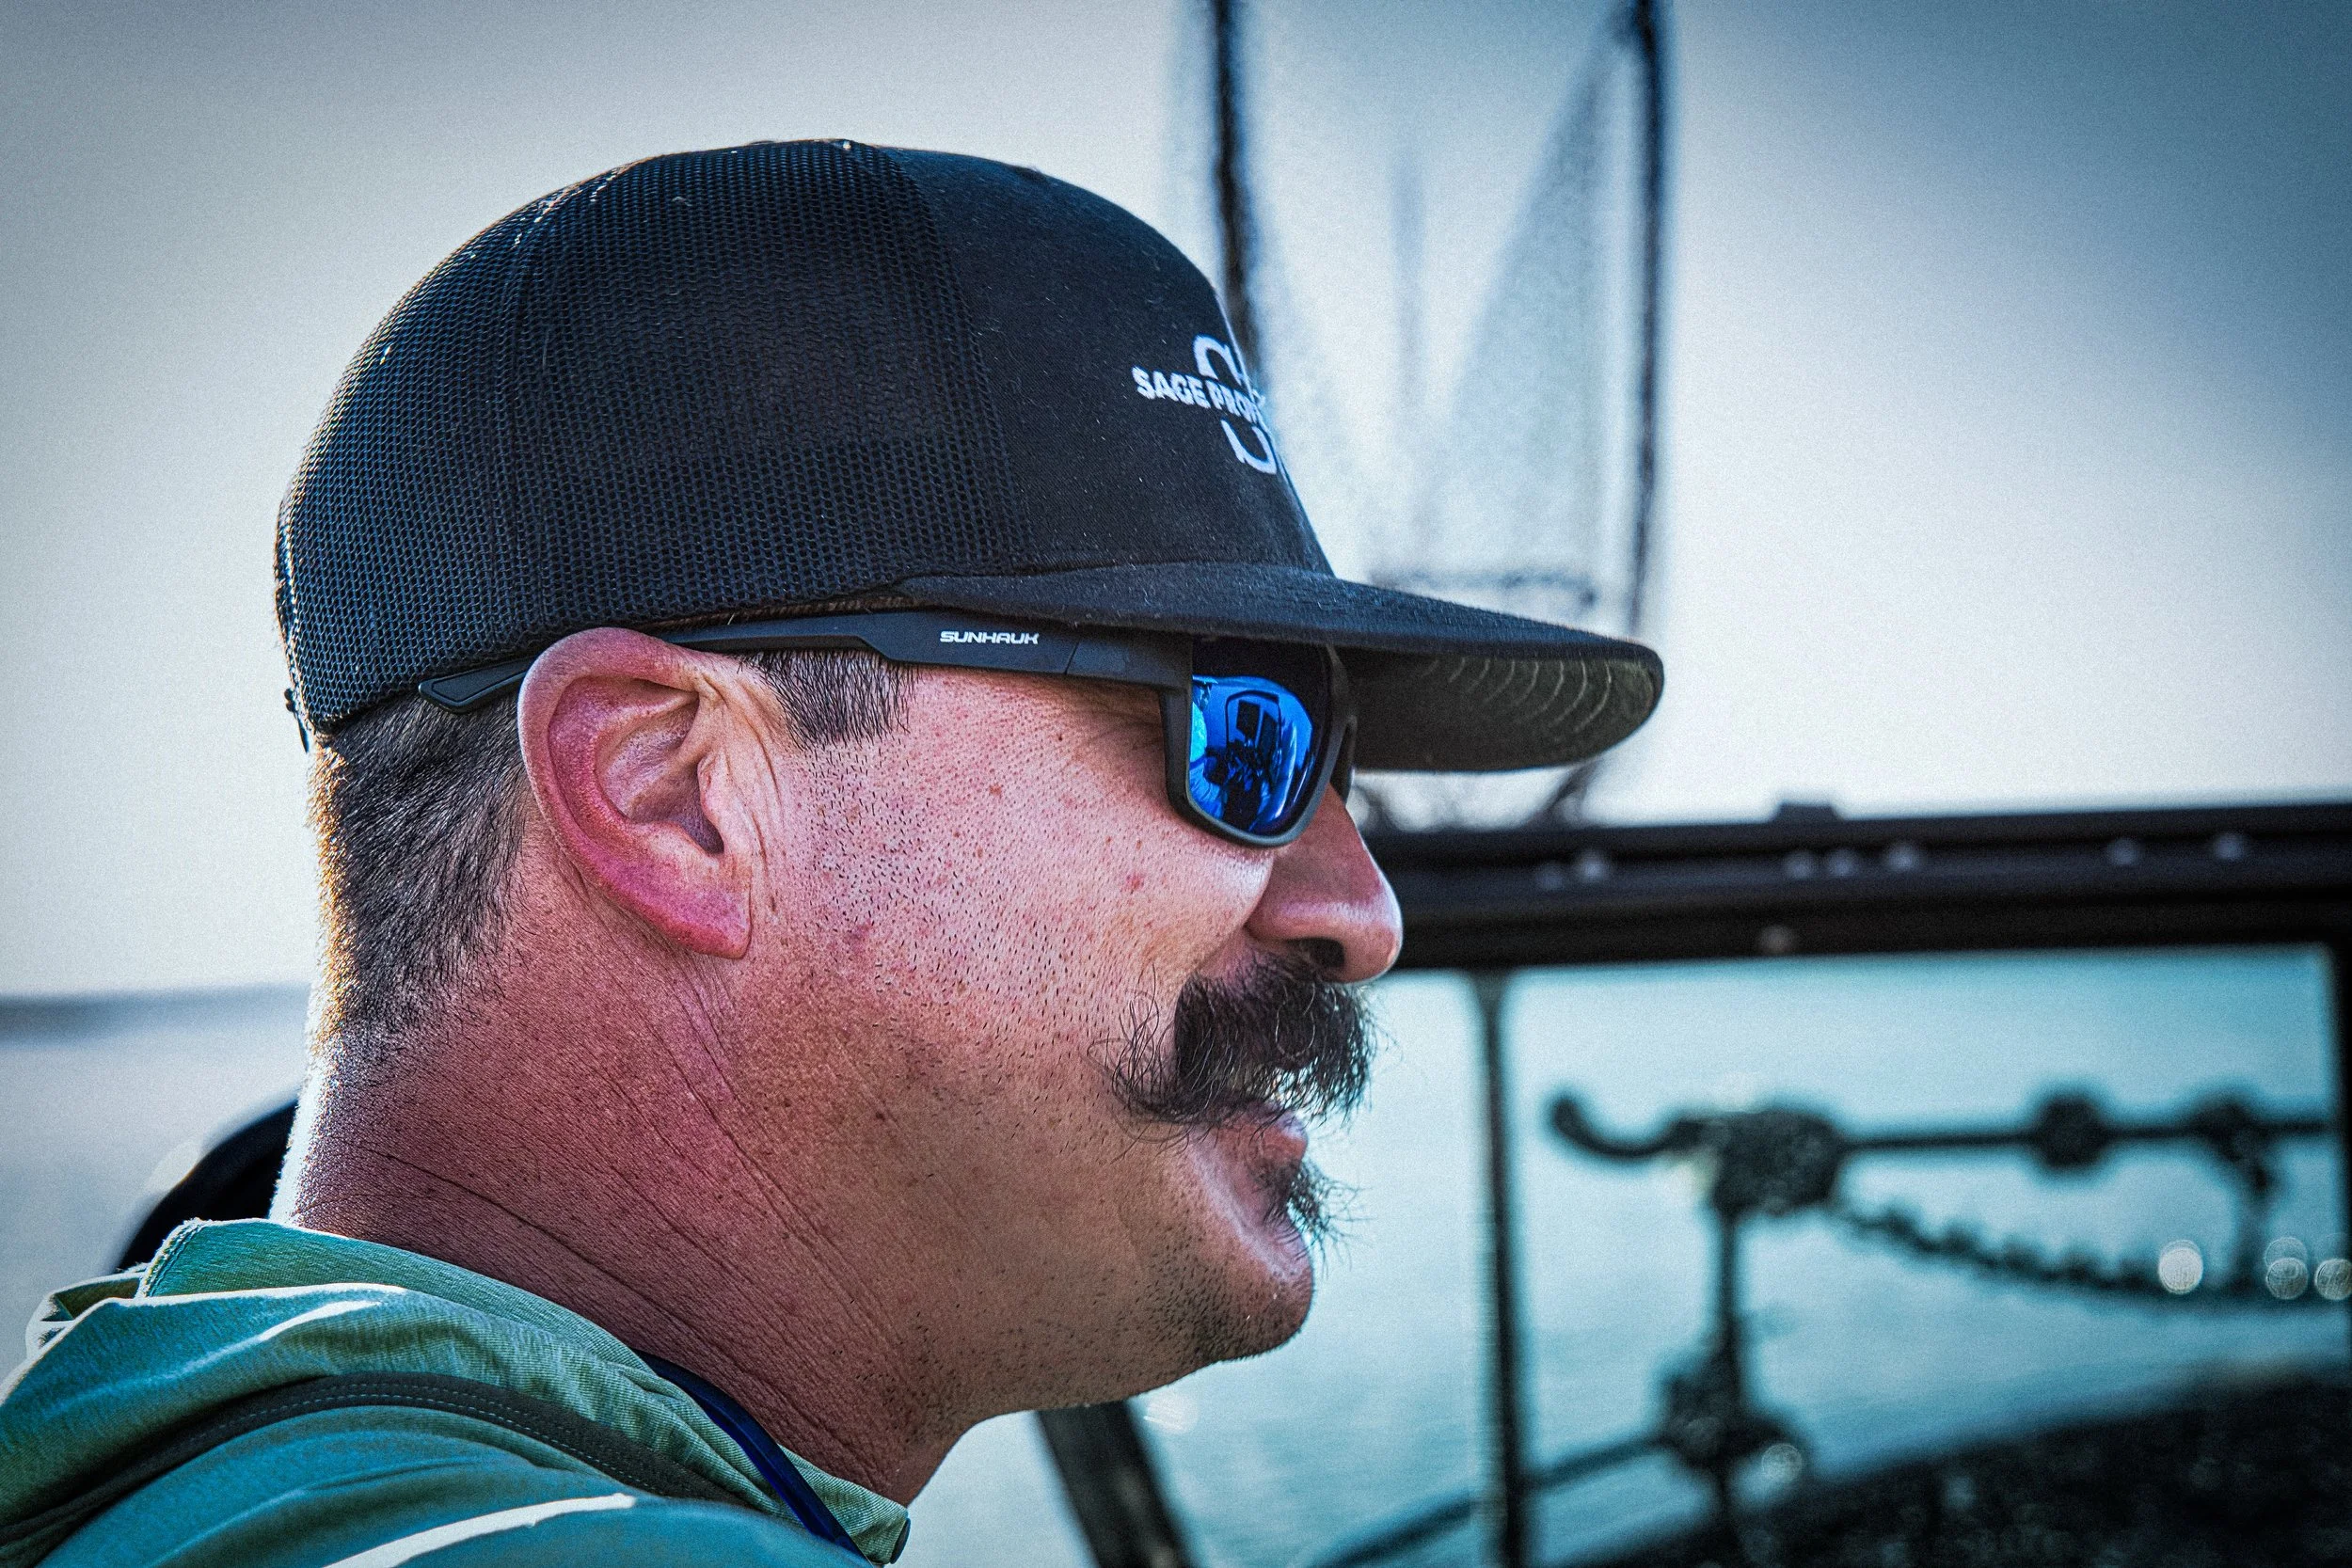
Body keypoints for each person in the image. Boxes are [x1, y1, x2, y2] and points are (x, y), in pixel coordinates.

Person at [0, 140, 1659, 1566]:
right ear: (674, 793)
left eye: (1339, 763)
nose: (1361, 909)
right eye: (1249, 734)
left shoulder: (185, 1468)